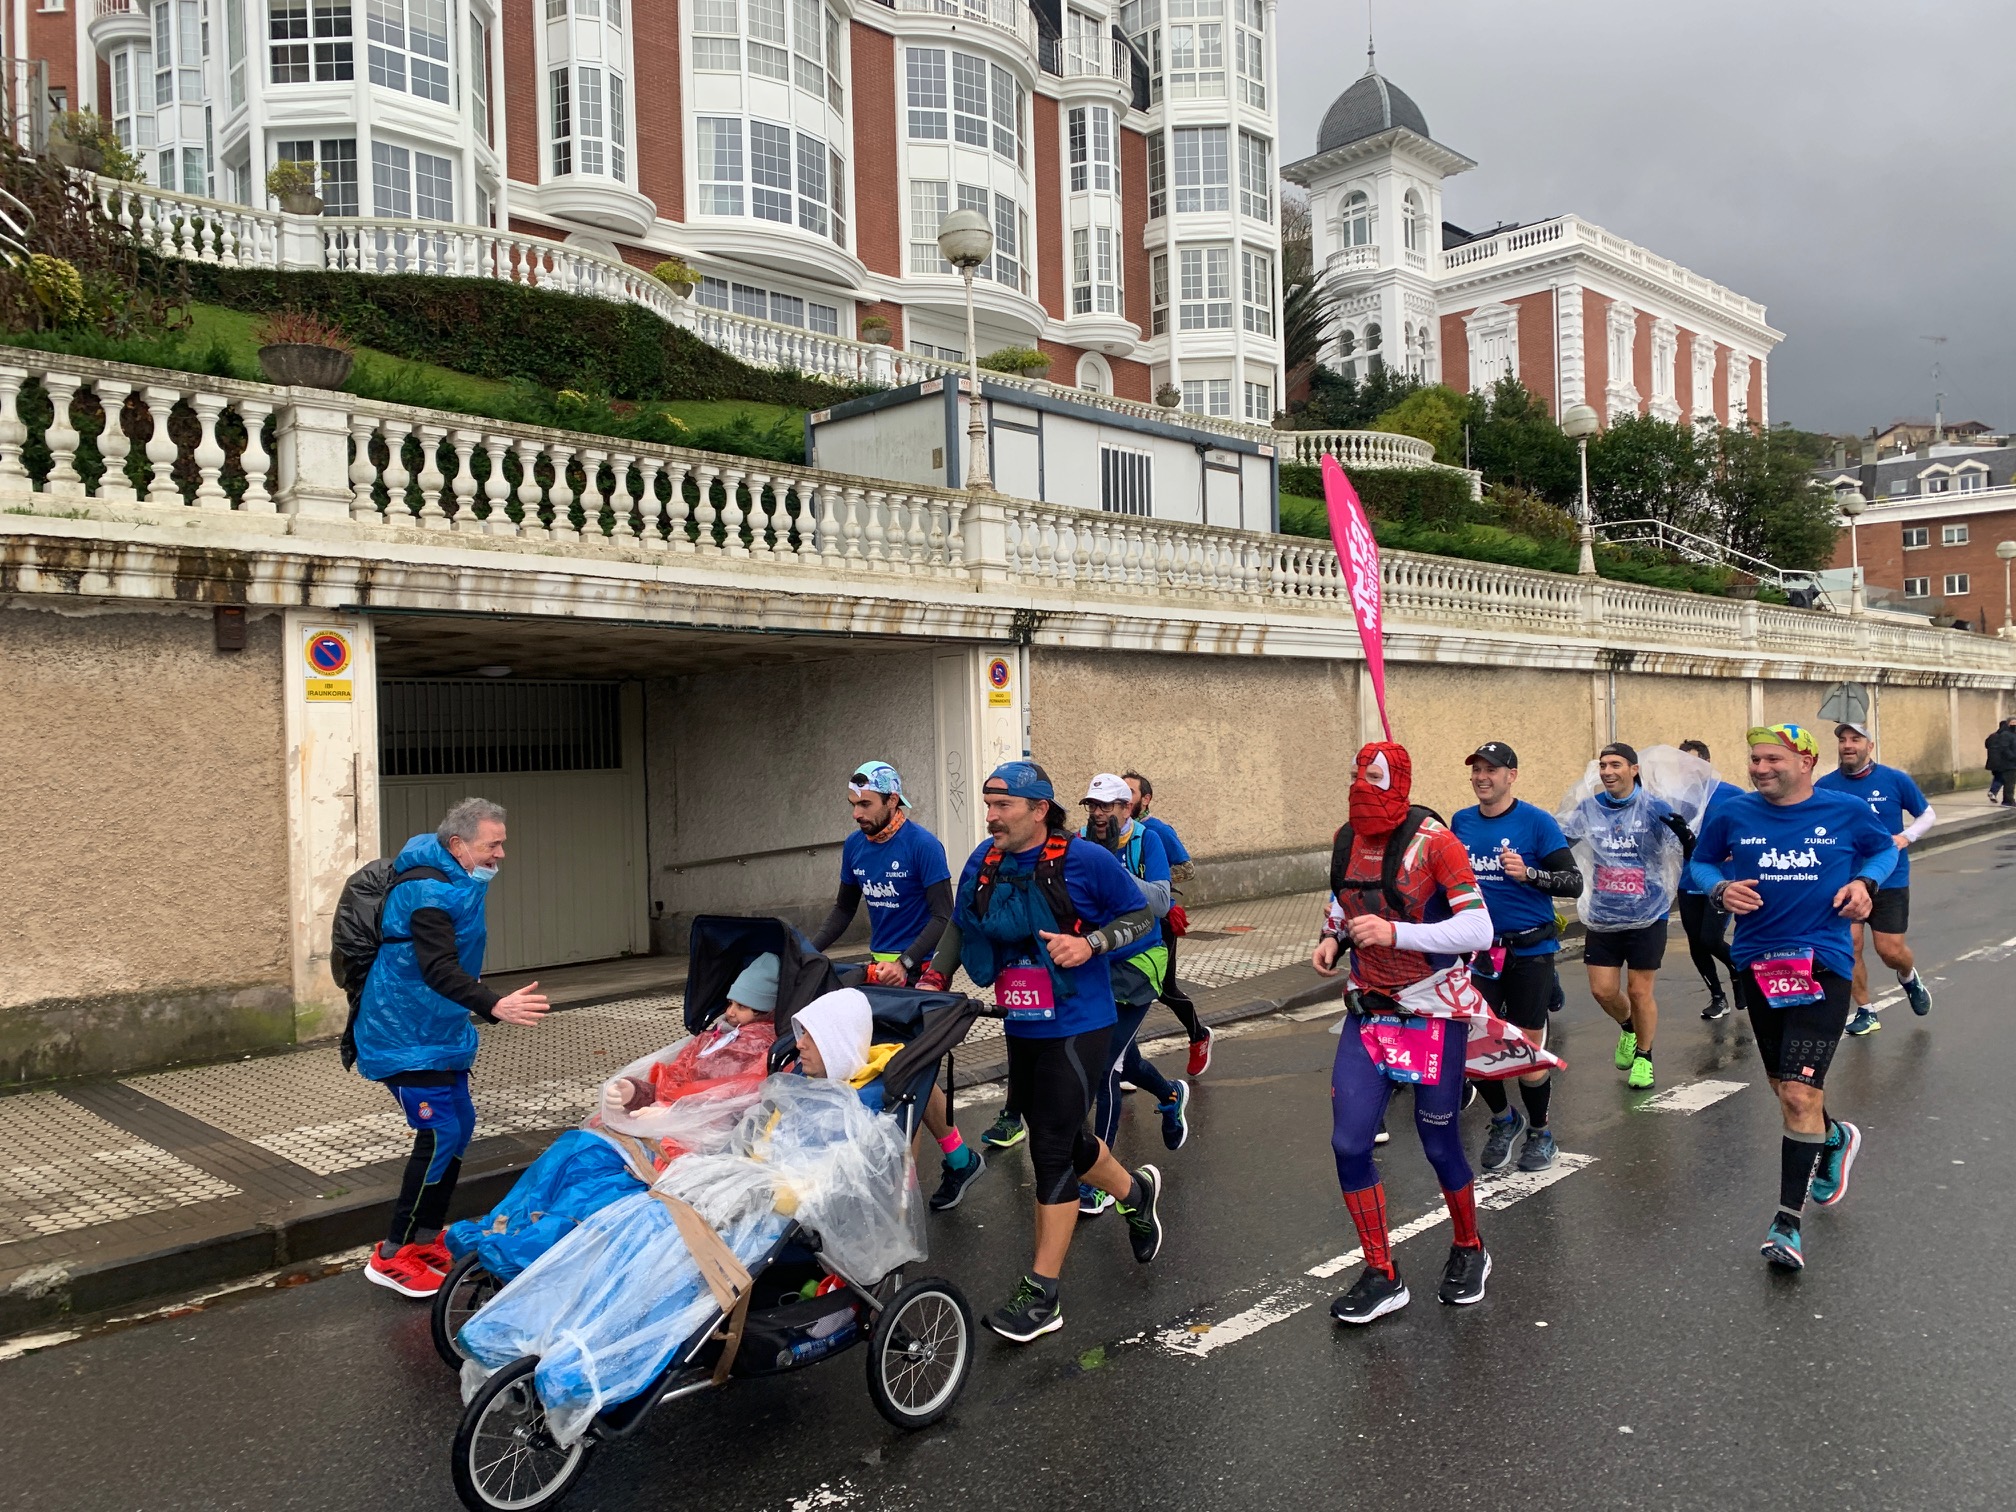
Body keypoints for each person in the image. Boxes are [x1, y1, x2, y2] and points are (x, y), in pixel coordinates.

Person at [917, 761, 1166, 1343]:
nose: (991, 816)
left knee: (1051, 1148)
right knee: (1065, 1134)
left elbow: (1142, 913)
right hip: (1023, 1019)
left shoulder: (1085, 860)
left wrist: (1091, 943)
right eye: (988, 804)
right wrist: (933, 979)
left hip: (1080, 1019)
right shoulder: (985, 861)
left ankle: (1042, 1293)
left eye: (1001, 806)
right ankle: (1135, 1192)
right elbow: (960, 925)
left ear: (1038, 808)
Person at [1315, 742, 1546, 1326]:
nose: (1360, 785)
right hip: (1367, 1010)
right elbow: (1340, 907)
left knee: (1437, 1138)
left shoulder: (1436, 841)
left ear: (1397, 781)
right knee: (1349, 1144)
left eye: (1372, 776)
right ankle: (1381, 1273)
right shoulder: (1346, 838)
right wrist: (1331, 940)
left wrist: (1396, 936)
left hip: (1431, 1011)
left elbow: (1477, 925)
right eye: (1353, 774)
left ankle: (1470, 1246)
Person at [1689, 723, 1897, 1270]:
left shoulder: (1844, 811)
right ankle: (1834, 1138)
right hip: (1758, 962)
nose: (1759, 768)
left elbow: (1883, 851)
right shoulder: (1733, 811)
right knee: (1783, 1088)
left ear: (1805, 761)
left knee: (1801, 1095)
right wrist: (1719, 888)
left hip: (1822, 964)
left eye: (1771, 759)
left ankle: (1787, 1223)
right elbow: (1702, 862)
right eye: (1754, 759)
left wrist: (1865, 885)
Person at [353, 797, 552, 1299]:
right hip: (401, 1033)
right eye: (494, 844)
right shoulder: (426, 888)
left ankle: (425, 1238)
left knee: (459, 1126)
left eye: (502, 842)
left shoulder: (457, 877)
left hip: (435, 1030)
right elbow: (437, 967)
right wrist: (494, 1004)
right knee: (440, 1131)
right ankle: (392, 1253)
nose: (502, 853)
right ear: (458, 844)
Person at [807, 761, 980, 1211]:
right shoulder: (855, 847)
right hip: (878, 975)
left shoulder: (923, 845)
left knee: (903, 1075)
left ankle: (900, 1201)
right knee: (904, 1071)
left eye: (866, 804)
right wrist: (805, 950)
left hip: (920, 969)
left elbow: (945, 916)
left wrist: (907, 963)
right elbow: (843, 912)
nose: (857, 814)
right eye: (853, 805)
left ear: (892, 800)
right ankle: (959, 1158)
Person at [1450, 742, 1582, 1174]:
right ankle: (1504, 1120)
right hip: (1481, 952)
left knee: (1524, 1051)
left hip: (1531, 951)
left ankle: (1541, 1133)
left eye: (1491, 770)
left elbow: (1573, 883)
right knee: (1476, 1044)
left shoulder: (1537, 823)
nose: (1481, 777)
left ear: (1512, 775)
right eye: (1476, 770)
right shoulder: (1462, 822)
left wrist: (1530, 874)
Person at [1079, 774, 1190, 1217]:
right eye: (1092, 806)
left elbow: (1162, 902)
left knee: (1106, 1067)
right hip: (1098, 964)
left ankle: (1102, 1179)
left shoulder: (1150, 840)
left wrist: (1117, 874)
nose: (1099, 814)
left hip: (1140, 966)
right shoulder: (1083, 844)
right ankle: (1169, 1096)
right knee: (1129, 1058)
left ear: (1128, 808)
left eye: (1108, 807)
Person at [1558, 743, 1695, 1091]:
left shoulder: (1653, 807)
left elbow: (1683, 852)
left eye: (1615, 764)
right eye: (1602, 765)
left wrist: (1687, 837)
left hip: (1648, 913)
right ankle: (1629, 1029)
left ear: (1633, 769)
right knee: (1603, 991)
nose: (1607, 771)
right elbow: (1560, 845)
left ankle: (1645, 1057)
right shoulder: (1588, 809)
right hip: (1604, 913)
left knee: (1638, 990)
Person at [1815, 723, 1936, 1034]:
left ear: (1870, 746)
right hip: (1845, 880)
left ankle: (1908, 976)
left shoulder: (1894, 780)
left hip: (1889, 878)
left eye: (1855, 739)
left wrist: (1906, 837)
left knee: (1889, 951)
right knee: (1850, 945)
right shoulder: (1827, 785)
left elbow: (1927, 814)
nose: (1847, 745)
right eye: (1842, 740)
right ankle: (1866, 1010)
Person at [1123, 771, 1215, 1077]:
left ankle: (1199, 1034)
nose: (1122, 799)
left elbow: (1187, 869)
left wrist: (1154, 880)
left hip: (1158, 919)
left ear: (1145, 799)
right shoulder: (1114, 832)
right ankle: (1122, 1062)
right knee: (1120, 986)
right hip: (1123, 920)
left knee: (1162, 988)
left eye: (1130, 793)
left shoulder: (1157, 831)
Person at [1676, 740, 1746, 1021]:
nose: (1687, 771)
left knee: (1710, 938)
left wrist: (1735, 848)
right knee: (1695, 942)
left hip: (1722, 881)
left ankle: (1739, 970)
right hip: (1687, 878)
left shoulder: (1731, 795)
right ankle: (1718, 997)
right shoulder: (1676, 798)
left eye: (1693, 765)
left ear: (1707, 764)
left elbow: (1749, 828)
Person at [1987, 717, 2016, 806]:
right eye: (2013, 723)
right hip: (2007, 763)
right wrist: (2013, 757)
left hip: (2006, 763)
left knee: (2004, 781)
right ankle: (2008, 801)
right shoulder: (2005, 735)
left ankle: (2006, 799)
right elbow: (2005, 748)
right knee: (2008, 782)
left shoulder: (2010, 735)